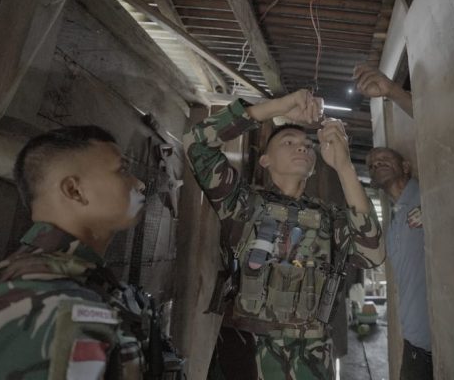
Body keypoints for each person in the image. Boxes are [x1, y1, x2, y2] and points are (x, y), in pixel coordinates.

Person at [185, 89, 385, 380]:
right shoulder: (241, 204)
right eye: (288, 142)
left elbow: (372, 254)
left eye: (307, 145)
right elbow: (196, 143)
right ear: (265, 160)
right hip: (243, 354)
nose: (302, 148)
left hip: (311, 358)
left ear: (314, 166)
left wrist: (344, 166)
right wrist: (278, 107)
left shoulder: (330, 218)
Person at [0, 126, 157, 379]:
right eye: (122, 170)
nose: (139, 184)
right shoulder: (61, 309)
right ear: (74, 190)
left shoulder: (37, 278)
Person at [365, 147, 432, 380]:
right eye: (371, 165)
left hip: (438, 339)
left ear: (405, 167)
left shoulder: (428, 196)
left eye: (384, 159)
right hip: (415, 339)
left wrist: (433, 211)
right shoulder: (395, 216)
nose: (376, 164)